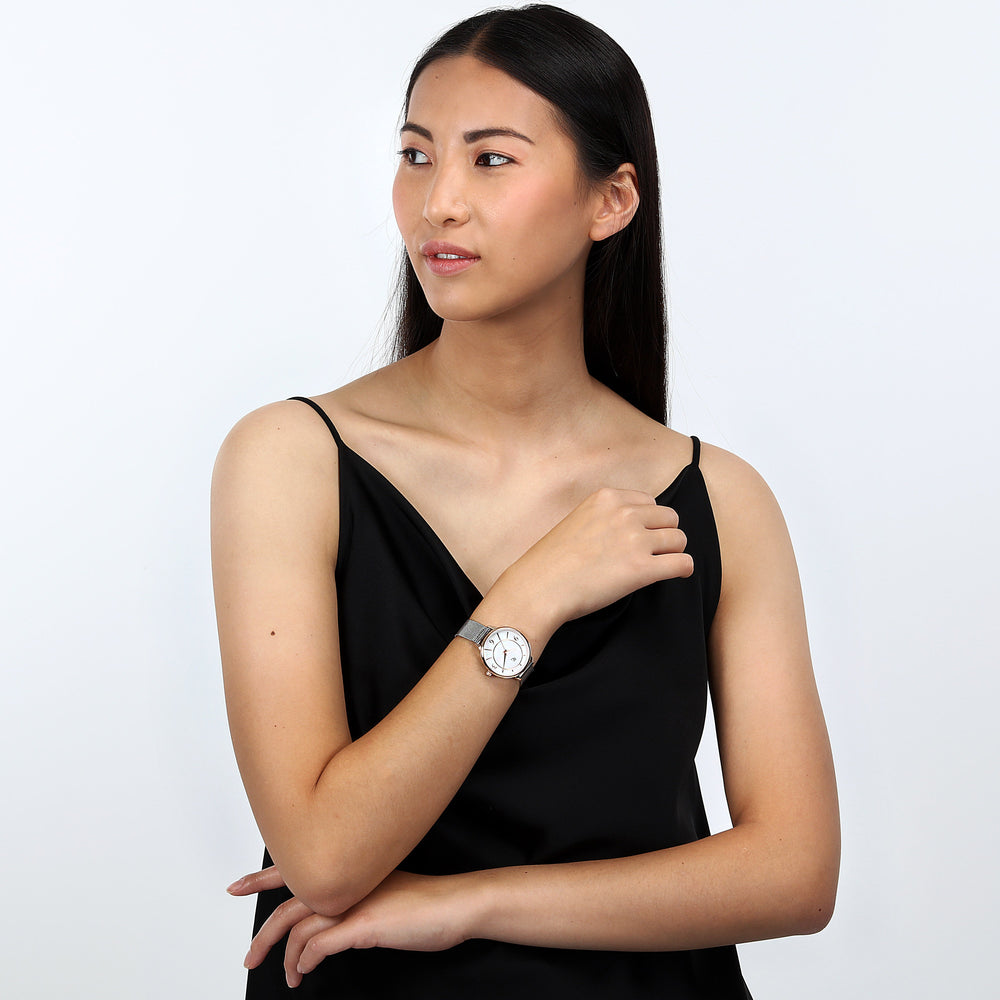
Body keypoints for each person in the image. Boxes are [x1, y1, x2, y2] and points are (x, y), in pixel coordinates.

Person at [211, 5, 840, 997]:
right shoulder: (290, 458)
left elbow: (795, 874)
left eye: (491, 159)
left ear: (611, 200)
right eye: (416, 156)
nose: (438, 202)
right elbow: (325, 855)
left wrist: (464, 903)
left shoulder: (722, 500)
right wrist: (529, 598)